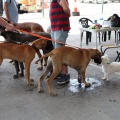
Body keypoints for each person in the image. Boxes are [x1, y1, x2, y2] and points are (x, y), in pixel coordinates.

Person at [50, 0, 71, 85]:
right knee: (57, 53)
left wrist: (68, 14)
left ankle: (65, 74)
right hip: (55, 28)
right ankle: (59, 72)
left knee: (60, 53)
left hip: (60, 28)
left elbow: (66, 9)